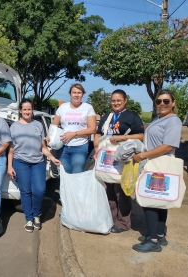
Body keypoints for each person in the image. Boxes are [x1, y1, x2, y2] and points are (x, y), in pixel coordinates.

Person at [132, 89, 182, 253]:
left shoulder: (173, 121)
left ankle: (153, 240)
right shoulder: (158, 119)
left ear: (173, 103)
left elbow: (168, 145)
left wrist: (143, 155)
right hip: (155, 164)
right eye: (159, 101)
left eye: (166, 101)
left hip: (157, 165)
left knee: (150, 200)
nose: (161, 104)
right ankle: (159, 234)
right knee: (160, 200)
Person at [94, 89, 144, 233]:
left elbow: (140, 136)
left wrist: (122, 138)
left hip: (123, 158)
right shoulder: (107, 117)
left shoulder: (132, 116)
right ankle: (112, 218)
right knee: (109, 188)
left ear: (125, 100)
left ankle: (123, 222)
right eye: (113, 100)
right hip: (106, 159)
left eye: (119, 100)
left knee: (121, 190)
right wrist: (97, 150)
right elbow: (98, 134)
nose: (116, 103)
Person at [7, 98, 61, 233]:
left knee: (40, 190)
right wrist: (9, 166)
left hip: (37, 162)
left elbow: (42, 147)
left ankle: (36, 214)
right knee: (25, 192)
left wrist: (52, 158)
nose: (27, 111)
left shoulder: (38, 125)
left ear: (32, 110)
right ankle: (29, 219)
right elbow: (11, 149)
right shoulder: (14, 127)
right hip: (20, 162)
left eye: (29, 109)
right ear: (20, 111)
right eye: (24, 109)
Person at [49, 83, 96, 173]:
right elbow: (54, 125)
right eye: (74, 92)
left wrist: (74, 134)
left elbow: (92, 129)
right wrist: (49, 137)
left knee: (77, 174)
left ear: (82, 94)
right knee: (65, 173)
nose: (76, 95)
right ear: (70, 93)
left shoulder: (88, 108)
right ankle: (65, 188)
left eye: (79, 93)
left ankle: (76, 188)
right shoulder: (63, 107)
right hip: (62, 146)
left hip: (80, 146)